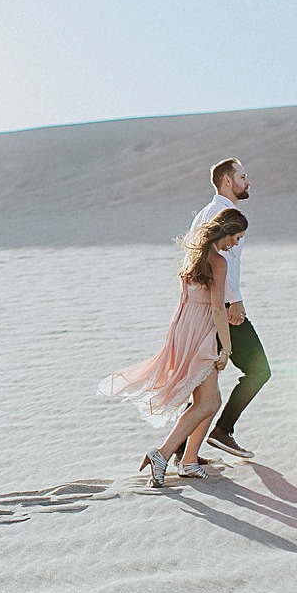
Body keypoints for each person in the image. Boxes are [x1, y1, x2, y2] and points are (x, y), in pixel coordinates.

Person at [97, 209, 247, 487]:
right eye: (236, 237)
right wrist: (226, 348)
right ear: (226, 232)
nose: (236, 244)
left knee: (207, 401)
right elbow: (217, 307)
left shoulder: (195, 255)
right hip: (201, 329)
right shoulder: (218, 260)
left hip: (183, 327)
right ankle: (163, 454)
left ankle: (189, 460)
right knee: (209, 402)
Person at [191, 158, 269, 459]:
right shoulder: (224, 214)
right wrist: (234, 301)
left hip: (205, 306)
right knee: (258, 370)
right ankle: (223, 431)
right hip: (221, 305)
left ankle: (185, 451)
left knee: (204, 380)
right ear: (227, 181)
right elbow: (225, 264)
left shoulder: (205, 213)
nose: (248, 182)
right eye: (243, 176)